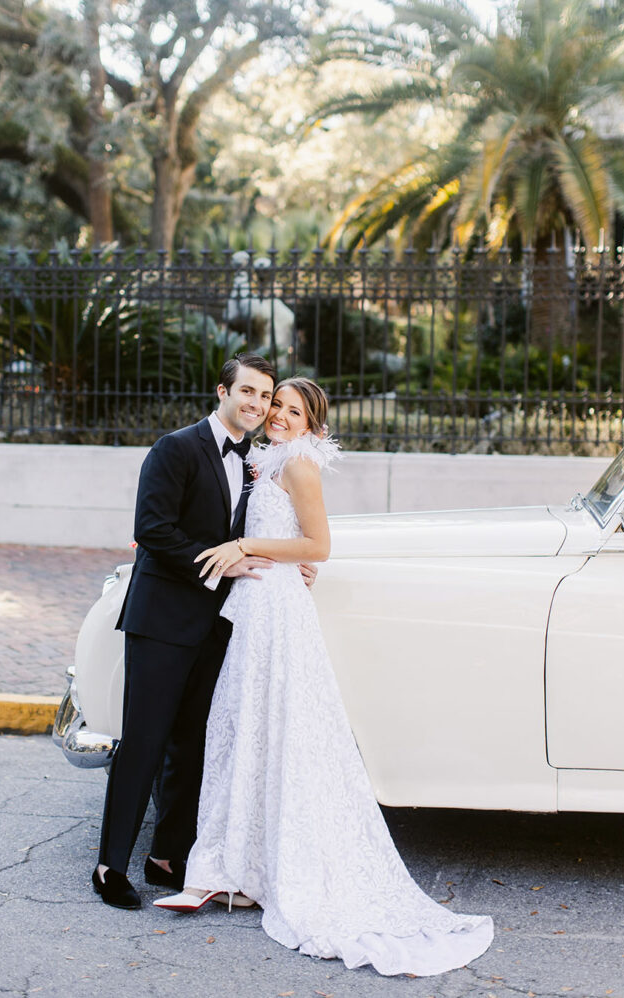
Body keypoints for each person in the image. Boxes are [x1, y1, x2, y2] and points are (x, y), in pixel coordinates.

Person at [155, 377, 495, 977]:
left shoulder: (301, 465)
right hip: (257, 607)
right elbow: (293, 547)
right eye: (277, 407)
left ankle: (251, 870)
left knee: (274, 728)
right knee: (242, 727)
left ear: (313, 424)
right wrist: (259, 552)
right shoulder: (266, 459)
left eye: (293, 411)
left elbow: (320, 544)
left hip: (278, 615)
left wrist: (245, 545)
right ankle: (232, 869)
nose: (280, 416)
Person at [93, 352, 289, 910]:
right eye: (247, 392)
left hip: (219, 626)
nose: (255, 404)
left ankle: (167, 856)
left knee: (194, 744)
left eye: (265, 396)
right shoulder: (175, 448)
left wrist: (294, 559)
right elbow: (152, 530)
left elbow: (260, 531)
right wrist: (224, 563)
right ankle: (110, 865)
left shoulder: (259, 461)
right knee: (145, 744)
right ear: (222, 391)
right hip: (161, 621)